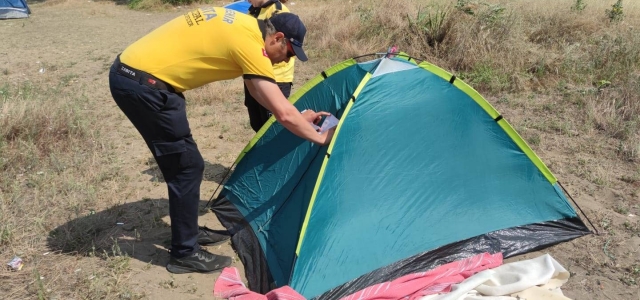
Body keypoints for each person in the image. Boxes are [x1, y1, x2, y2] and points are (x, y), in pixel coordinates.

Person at [108, 7, 334, 274]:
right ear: (278, 38)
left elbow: (264, 95)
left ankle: (188, 232)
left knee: (185, 165)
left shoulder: (246, 27)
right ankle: (184, 254)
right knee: (186, 168)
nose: (285, 62)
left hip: (139, 77)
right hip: (145, 85)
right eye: (288, 54)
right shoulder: (251, 46)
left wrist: (299, 116)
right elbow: (282, 113)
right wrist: (321, 138)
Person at [245, 0, 294, 132]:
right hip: (253, 75)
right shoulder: (252, 11)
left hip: (274, 79)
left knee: (273, 126)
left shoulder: (277, 10)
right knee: (258, 125)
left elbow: (279, 48)